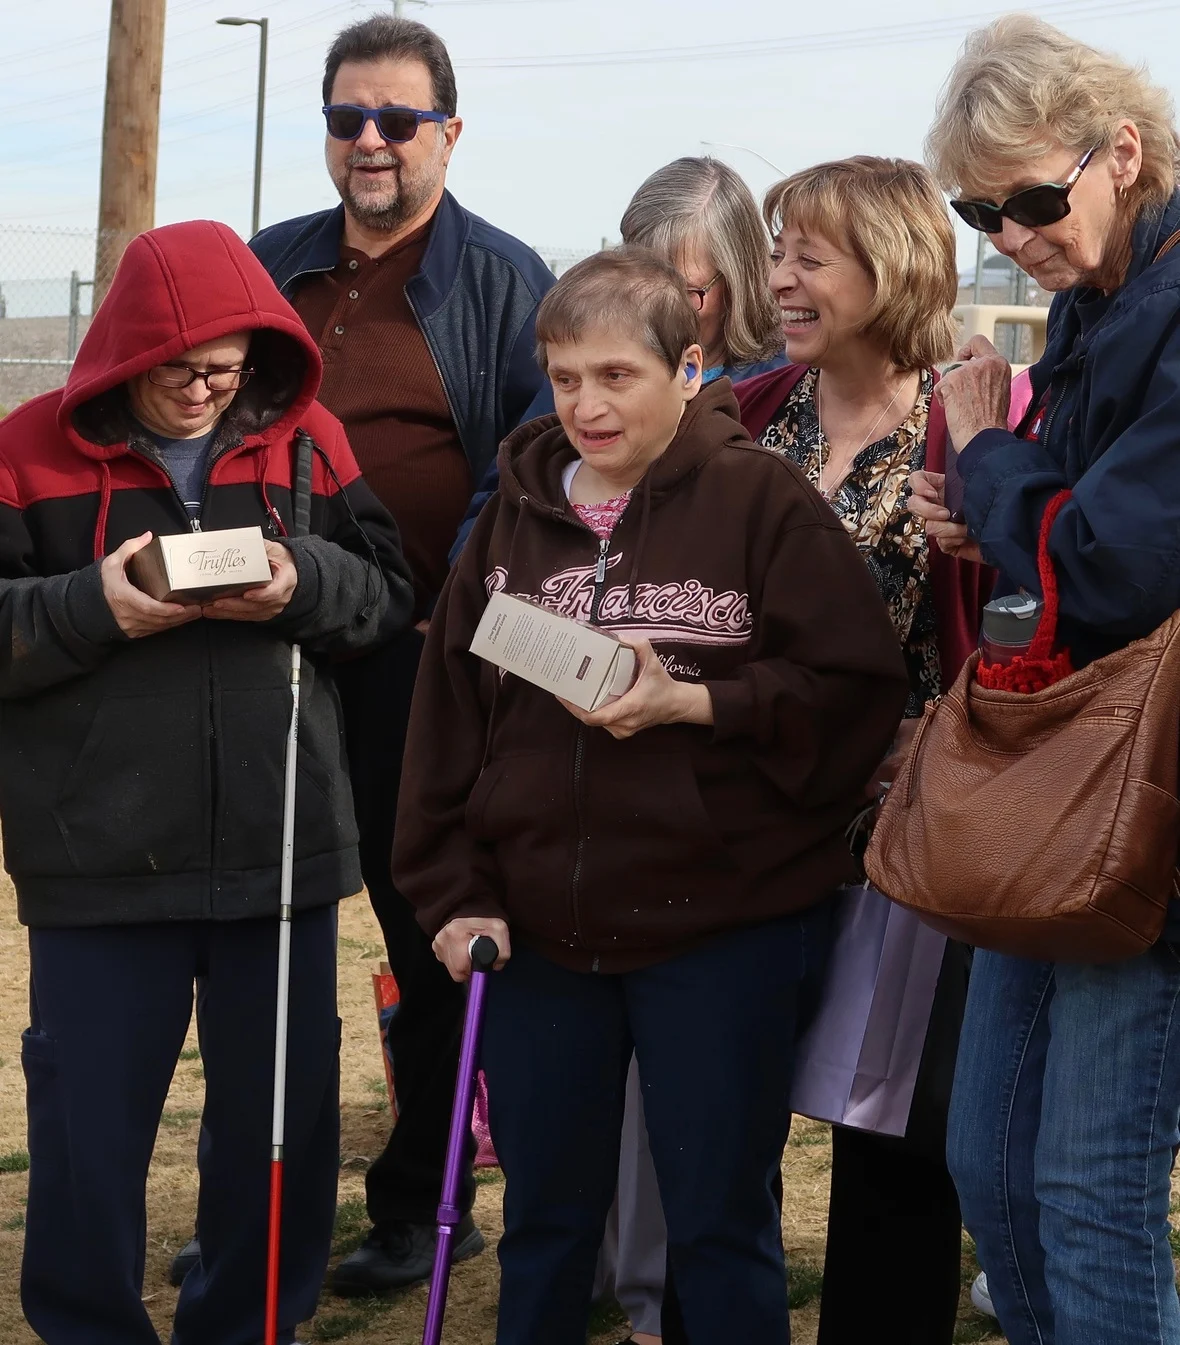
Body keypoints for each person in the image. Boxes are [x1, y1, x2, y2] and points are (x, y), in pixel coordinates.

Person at [393, 246, 909, 1344]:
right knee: (544, 1223)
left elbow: (853, 693)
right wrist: (455, 893)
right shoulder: (511, 521)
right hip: (533, 932)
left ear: (685, 366)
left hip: (716, 931)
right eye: (565, 376)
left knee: (718, 1225)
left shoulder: (759, 501)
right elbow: (443, 729)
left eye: (616, 375)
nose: (585, 404)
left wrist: (694, 705)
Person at [1, 220, 412, 1345]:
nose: (201, 390)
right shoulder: (23, 448)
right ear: (123, 352)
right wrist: (95, 606)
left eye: (225, 368)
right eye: (175, 367)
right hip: (96, 860)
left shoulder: (307, 439)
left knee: (279, 1128)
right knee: (87, 1130)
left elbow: (386, 596)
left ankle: (246, 1330)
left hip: (280, 851)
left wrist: (301, 580)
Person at [242, 14, 557, 1296]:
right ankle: (260, 1204)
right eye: (345, 118)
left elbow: (530, 463)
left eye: (397, 120)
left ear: (449, 132)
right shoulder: (265, 267)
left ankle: (423, 1200)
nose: (369, 141)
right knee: (266, 936)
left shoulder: (503, 276)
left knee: (426, 920)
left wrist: (458, 616)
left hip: (420, 663)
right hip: (263, 653)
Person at [909, 16, 1180, 1343]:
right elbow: (1061, 545)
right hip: (1065, 777)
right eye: (981, 211)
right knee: (993, 1167)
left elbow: (1112, 562)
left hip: (1152, 806)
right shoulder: (1097, 305)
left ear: (1122, 152)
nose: (1010, 235)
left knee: (1088, 1188)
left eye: (1029, 198)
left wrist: (981, 452)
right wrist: (986, 509)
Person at [727, 156, 993, 1345]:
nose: (778, 277)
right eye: (777, 250)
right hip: (747, 822)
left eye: (806, 256)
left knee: (894, 1133)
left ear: (888, 268)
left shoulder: (976, 417)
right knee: (726, 1115)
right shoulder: (741, 414)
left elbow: (1029, 618)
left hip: (907, 836)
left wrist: (940, 728)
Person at [592, 153, 786, 1345]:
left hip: (725, 792)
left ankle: (694, 1298)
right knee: (619, 1091)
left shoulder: (767, 403)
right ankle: (638, 1293)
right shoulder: (590, 386)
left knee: (717, 1095)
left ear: (742, 291)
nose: (670, 306)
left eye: (697, 290)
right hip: (596, 797)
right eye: (650, 277)